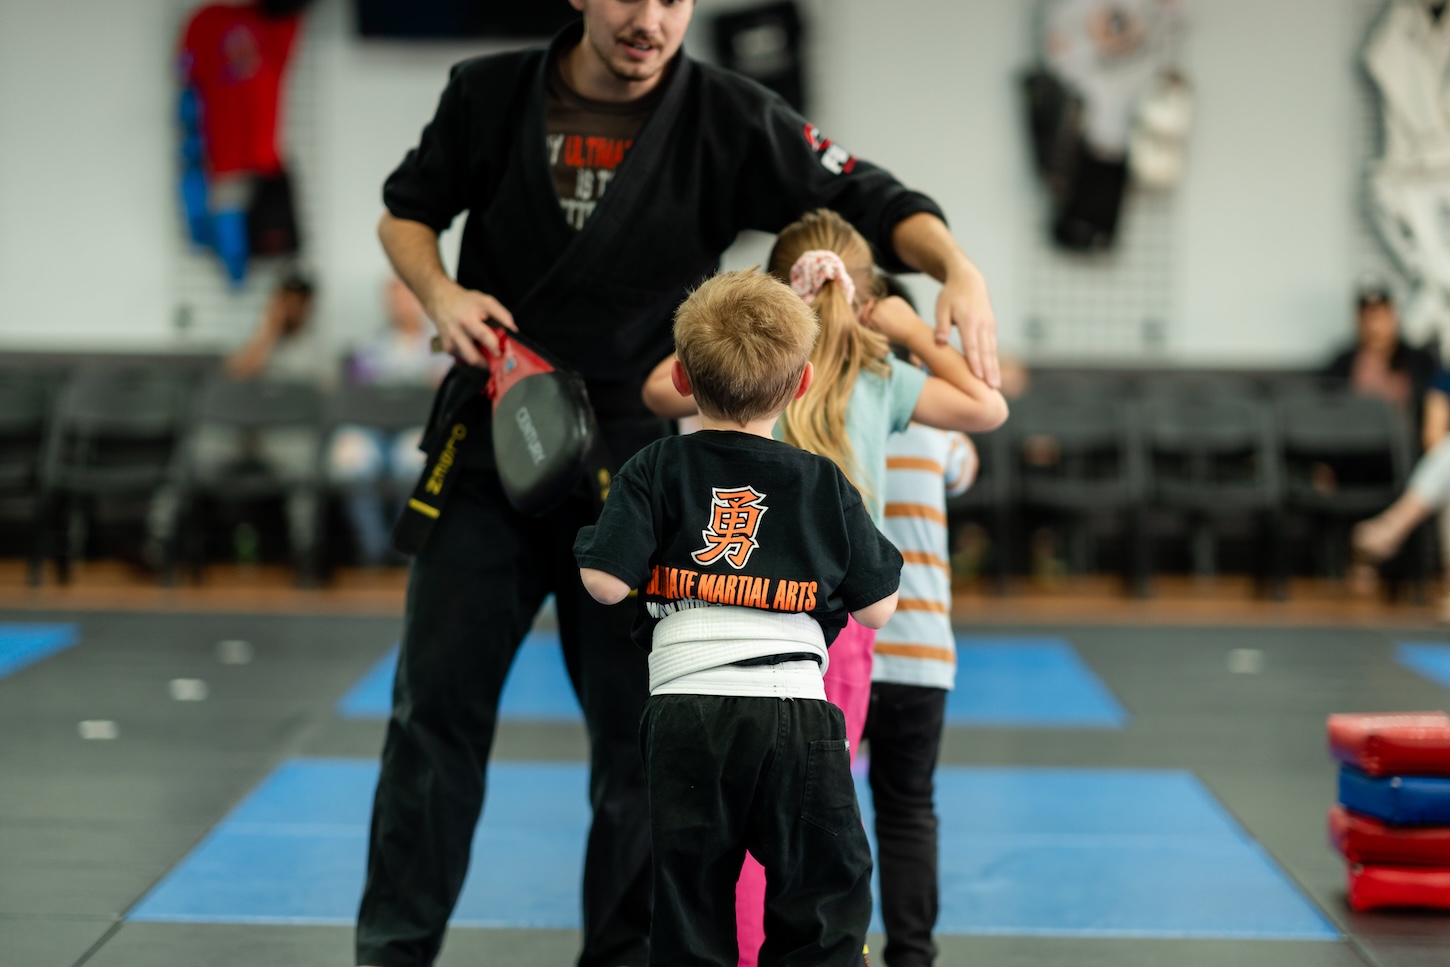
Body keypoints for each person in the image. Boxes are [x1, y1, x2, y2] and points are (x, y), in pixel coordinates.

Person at [361, 1, 1004, 964]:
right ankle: (394, 952)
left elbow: (869, 193)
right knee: (432, 719)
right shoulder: (486, 94)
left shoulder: (731, 116)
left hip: (647, 459)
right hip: (499, 435)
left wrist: (957, 265)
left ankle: (621, 959)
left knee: (641, 738)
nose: (650, 19)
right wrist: (438, 291)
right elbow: (405, 211)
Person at [644, 210, 1008, 967]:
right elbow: (986, 407)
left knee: (729, 821)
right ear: (867, 292)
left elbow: (659, 389)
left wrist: (754, 315)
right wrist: (907, 329)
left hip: (724, 624)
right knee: (812, 817)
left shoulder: (782, 369)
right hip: (832, 631)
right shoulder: (875, 372)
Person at [575, 269, 902, 966]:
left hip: (686, 710)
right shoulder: (821, 480)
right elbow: (879, 606)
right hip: (795, 713)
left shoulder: (654, 465)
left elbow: (604, 586)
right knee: (824, 899)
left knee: (690, 901)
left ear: (684, 381)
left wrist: (589, 537)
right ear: (802, 382)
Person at [863, 418, 977, 967]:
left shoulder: (813, 418)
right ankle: (912, 956)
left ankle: (831, 950)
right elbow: (966, 466)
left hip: (838, 656)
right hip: (921, 655)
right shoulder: (938, 433)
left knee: (816, 815)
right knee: (908, 809)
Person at [326, 277, 450, 566]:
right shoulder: (372, 346)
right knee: (351, 458)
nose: (399, 305)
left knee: (411, 460)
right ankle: (373, 550)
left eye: (406, 296)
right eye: (393, 298)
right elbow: (352, 393)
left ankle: (403, 545)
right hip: (372, 431)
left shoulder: (440, 344)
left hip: (416, 430)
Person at [1326, 283, 1438, 445]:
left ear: (1394, 317)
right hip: (1354, 447)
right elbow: (1328, 412)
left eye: (1381, 316)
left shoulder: (1419, 360)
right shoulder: (1343, 363)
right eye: (1368, 317)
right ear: (1358, 320)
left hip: (1406, 448)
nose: (1375, 325)